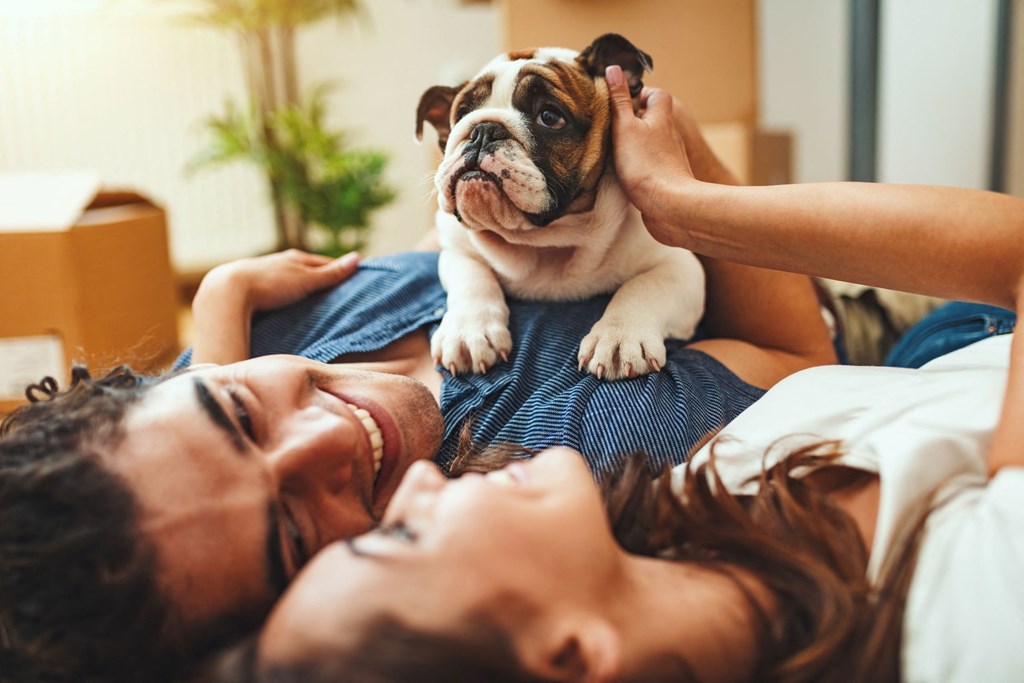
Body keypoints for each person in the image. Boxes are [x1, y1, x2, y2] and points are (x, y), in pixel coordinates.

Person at [0, 81, 836, 682]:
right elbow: (799, 356)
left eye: (239, 410)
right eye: (292, 531)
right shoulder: (568, 461)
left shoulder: (225, 370)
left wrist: (225, 296)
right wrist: (684, 173)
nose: (330, 431)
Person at [237, 64, 1023, 682]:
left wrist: (223, 300)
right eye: (399, 536)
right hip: (979, 332)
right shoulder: (973, 611)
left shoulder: (659, 522)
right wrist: (682, 203)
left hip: (917, 355)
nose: (414, 483)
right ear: (572, 654)